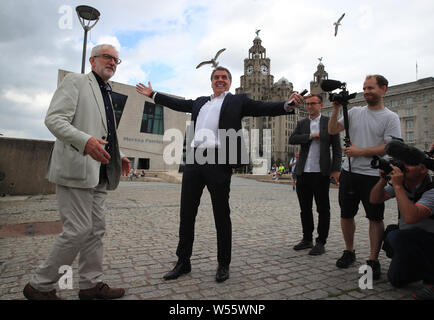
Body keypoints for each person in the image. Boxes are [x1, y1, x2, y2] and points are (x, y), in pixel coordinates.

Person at [136, 66, 304, 283]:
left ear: (230, 82)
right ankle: (183, 261)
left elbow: (264, 107)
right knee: (187, 213)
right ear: (211, 81)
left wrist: (287, 104)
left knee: (221, 214)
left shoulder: (237, 101)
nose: (220, 80)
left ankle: (223, 264)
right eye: (216, 77)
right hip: (195, 159)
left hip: (219, 160)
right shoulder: (200, 102)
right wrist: (153, 94)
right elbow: (178, 104)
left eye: (224, 77)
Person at [23, 44, 131, 300]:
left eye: (117, 60)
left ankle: (90, 285)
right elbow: (54, 119)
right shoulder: (76, 81)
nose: (113, 62)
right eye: (107, 57)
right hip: (76, 169)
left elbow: (106, 133)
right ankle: (39, 286)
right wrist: (85, 142)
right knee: (78, 230)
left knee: (95, 231)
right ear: (92, 60)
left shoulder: (107, 92)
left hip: (100, 172)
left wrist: (120, 156)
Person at [328, 74, 401, 279]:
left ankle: (373, 259)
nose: (367, 91)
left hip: (373, 175)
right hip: (349, 172)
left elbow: (390, 146)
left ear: (383, 89)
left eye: (371, 88)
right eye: (364, 88)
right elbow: (333, 129)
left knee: (375, 217)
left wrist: (360, 151)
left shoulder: (390, 117)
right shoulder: (355, 112)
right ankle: (349, 251)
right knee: (346, 214)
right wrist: (335, 108)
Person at [369, 149, 434, 300]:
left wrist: (397, 187)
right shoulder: (404, 183)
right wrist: (383, 180)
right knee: (396, 279)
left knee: (396, 236)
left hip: (430, 241)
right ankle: (422, 268)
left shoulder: (431, 189)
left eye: (409, 164)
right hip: (412, 241)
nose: (404, 167)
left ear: (423, 169)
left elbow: (411, 217)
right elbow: (374, 199)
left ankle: (431, 284)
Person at [289, 94, 342, 255]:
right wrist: (311, 136)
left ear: (321, 104)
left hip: (321, 172)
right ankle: (307, 239)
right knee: (305, 208)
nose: (310, 106)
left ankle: (321, 242)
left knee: (323, 208)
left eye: (313, 103)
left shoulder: (329, 122)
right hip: (303, 171)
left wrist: (336, 169)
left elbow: (337, 149)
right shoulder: (302, 123)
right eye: (307, 104)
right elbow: (292, 139)